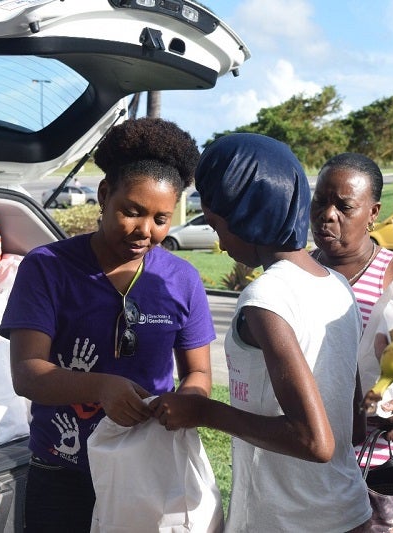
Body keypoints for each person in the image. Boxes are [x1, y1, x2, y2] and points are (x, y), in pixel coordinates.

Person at [0, 117, 216, 532]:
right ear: (104, 195)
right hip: (62, 471)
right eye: (131, 212)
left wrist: (185, 401)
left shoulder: (182, 279)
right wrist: (101, 386)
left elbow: (199, 372)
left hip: (144, 468)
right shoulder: (47, 268)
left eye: (160, 218)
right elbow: (27, 373)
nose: (144, 231)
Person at [150, 133, 372, 532]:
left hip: (290, 520)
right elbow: (353, 426)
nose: (218, 240)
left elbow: (314, 441)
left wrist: (203, 411)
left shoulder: (266, 296)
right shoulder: (336, 285)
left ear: (248, 216)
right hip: (348, 510)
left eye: (219, 226)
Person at [309, 153, 393, 524]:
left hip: (385, 463)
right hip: (313, 458)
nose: (328, 215)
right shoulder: (296, 274)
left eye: (344, 206)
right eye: (320, 201)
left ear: (374, 212)